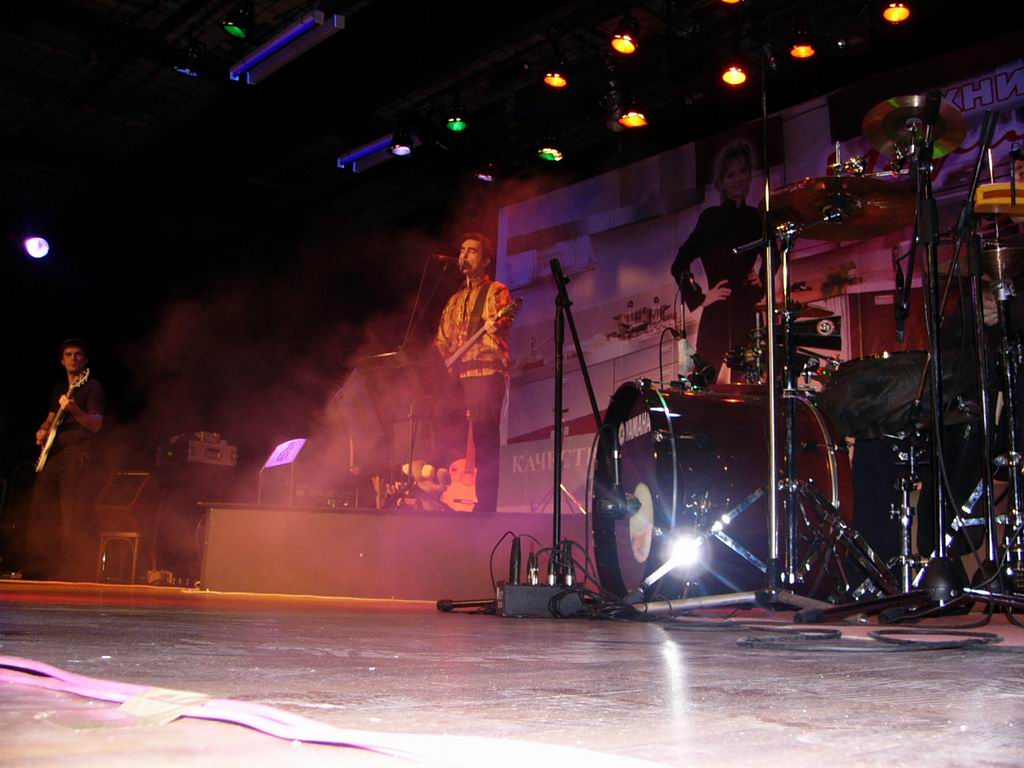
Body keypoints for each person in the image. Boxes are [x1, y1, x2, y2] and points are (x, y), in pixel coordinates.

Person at [671, 141, 765, 383]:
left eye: (743, 171)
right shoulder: (711, 219)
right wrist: (701, 298)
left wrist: (761, 280)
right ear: (721, 182)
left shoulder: (756, 218)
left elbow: (773, 254)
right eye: (730, 174)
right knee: (704, 381)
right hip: (717, 314)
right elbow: (679, 264)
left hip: (747, 312)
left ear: (750, 175)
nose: (738, 179)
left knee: (748, 383)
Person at [435, 233, 513, 515]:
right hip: (459, 376)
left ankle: (485, 506)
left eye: (472, 251)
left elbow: (505, 320)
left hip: (485, 372)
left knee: (485, 439)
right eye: (462, 250)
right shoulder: (454, 301)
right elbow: (442, 340)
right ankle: (441, 494)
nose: (464, 255)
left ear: (486, 260)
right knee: (445, 430)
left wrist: (496, 324)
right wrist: (440, 362)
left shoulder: (495, 291)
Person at [26, 338, 105, 580]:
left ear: (86, 360)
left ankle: (70, 570)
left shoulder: (92, 387)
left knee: (71, 513)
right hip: (54, 455)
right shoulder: (59, 388)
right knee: (41, 508)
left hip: (76, 453)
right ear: (62, 361)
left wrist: (75, 410)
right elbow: (51, 418)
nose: (73, 358)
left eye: (78, 354)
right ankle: (39, 566)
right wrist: (42, 430)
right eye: (68, 354)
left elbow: (96, 424)